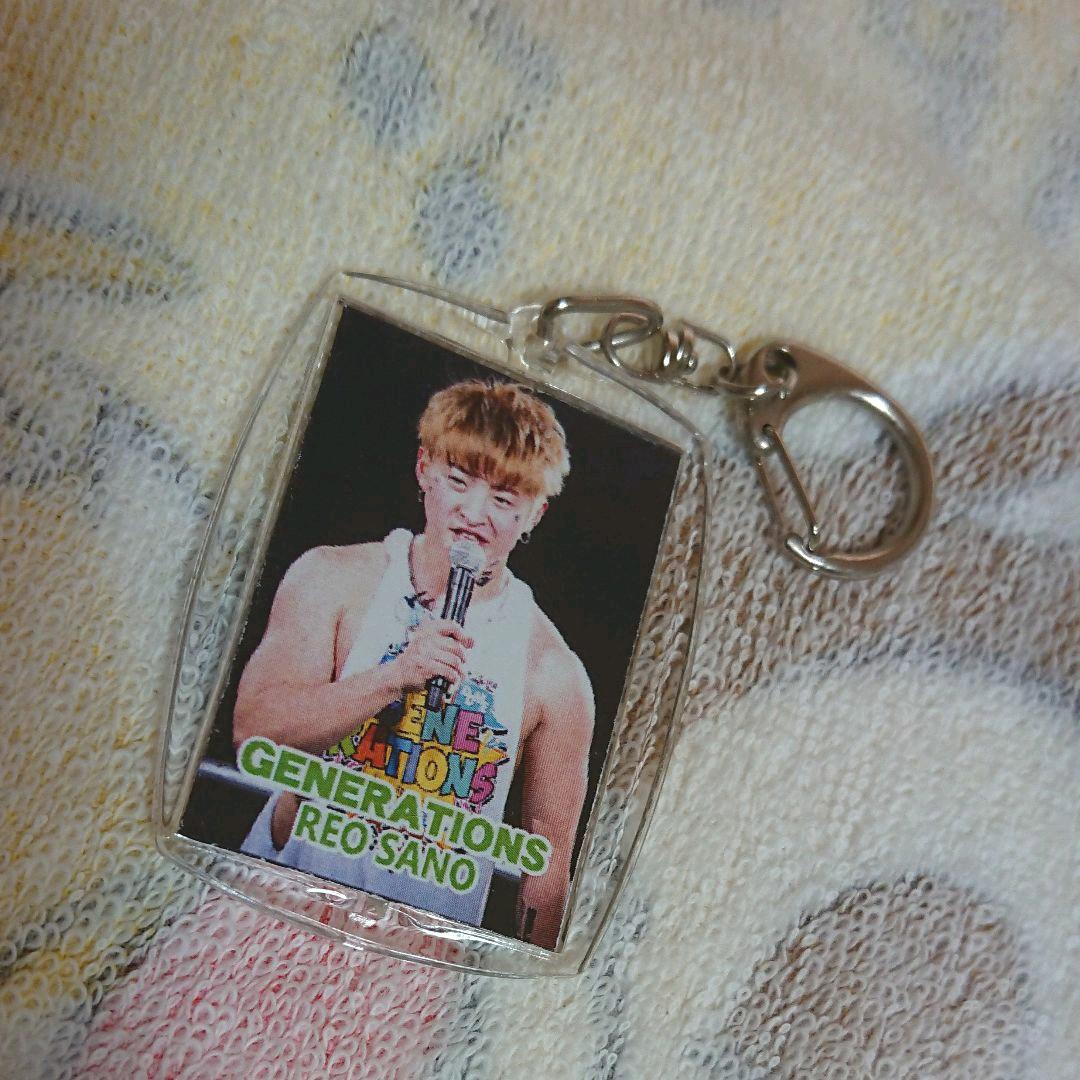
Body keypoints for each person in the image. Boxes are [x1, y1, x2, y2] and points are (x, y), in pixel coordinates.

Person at [234, 378, 594, 949]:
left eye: (504, 500)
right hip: (273, 914)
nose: (474, 514)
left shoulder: (553, 671)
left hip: (415, 963)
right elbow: (255, 733)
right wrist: (395, 676)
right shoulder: (332, 579)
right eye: (459, 481)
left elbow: (546, 877)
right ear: (424, 469)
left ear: (535, 515)